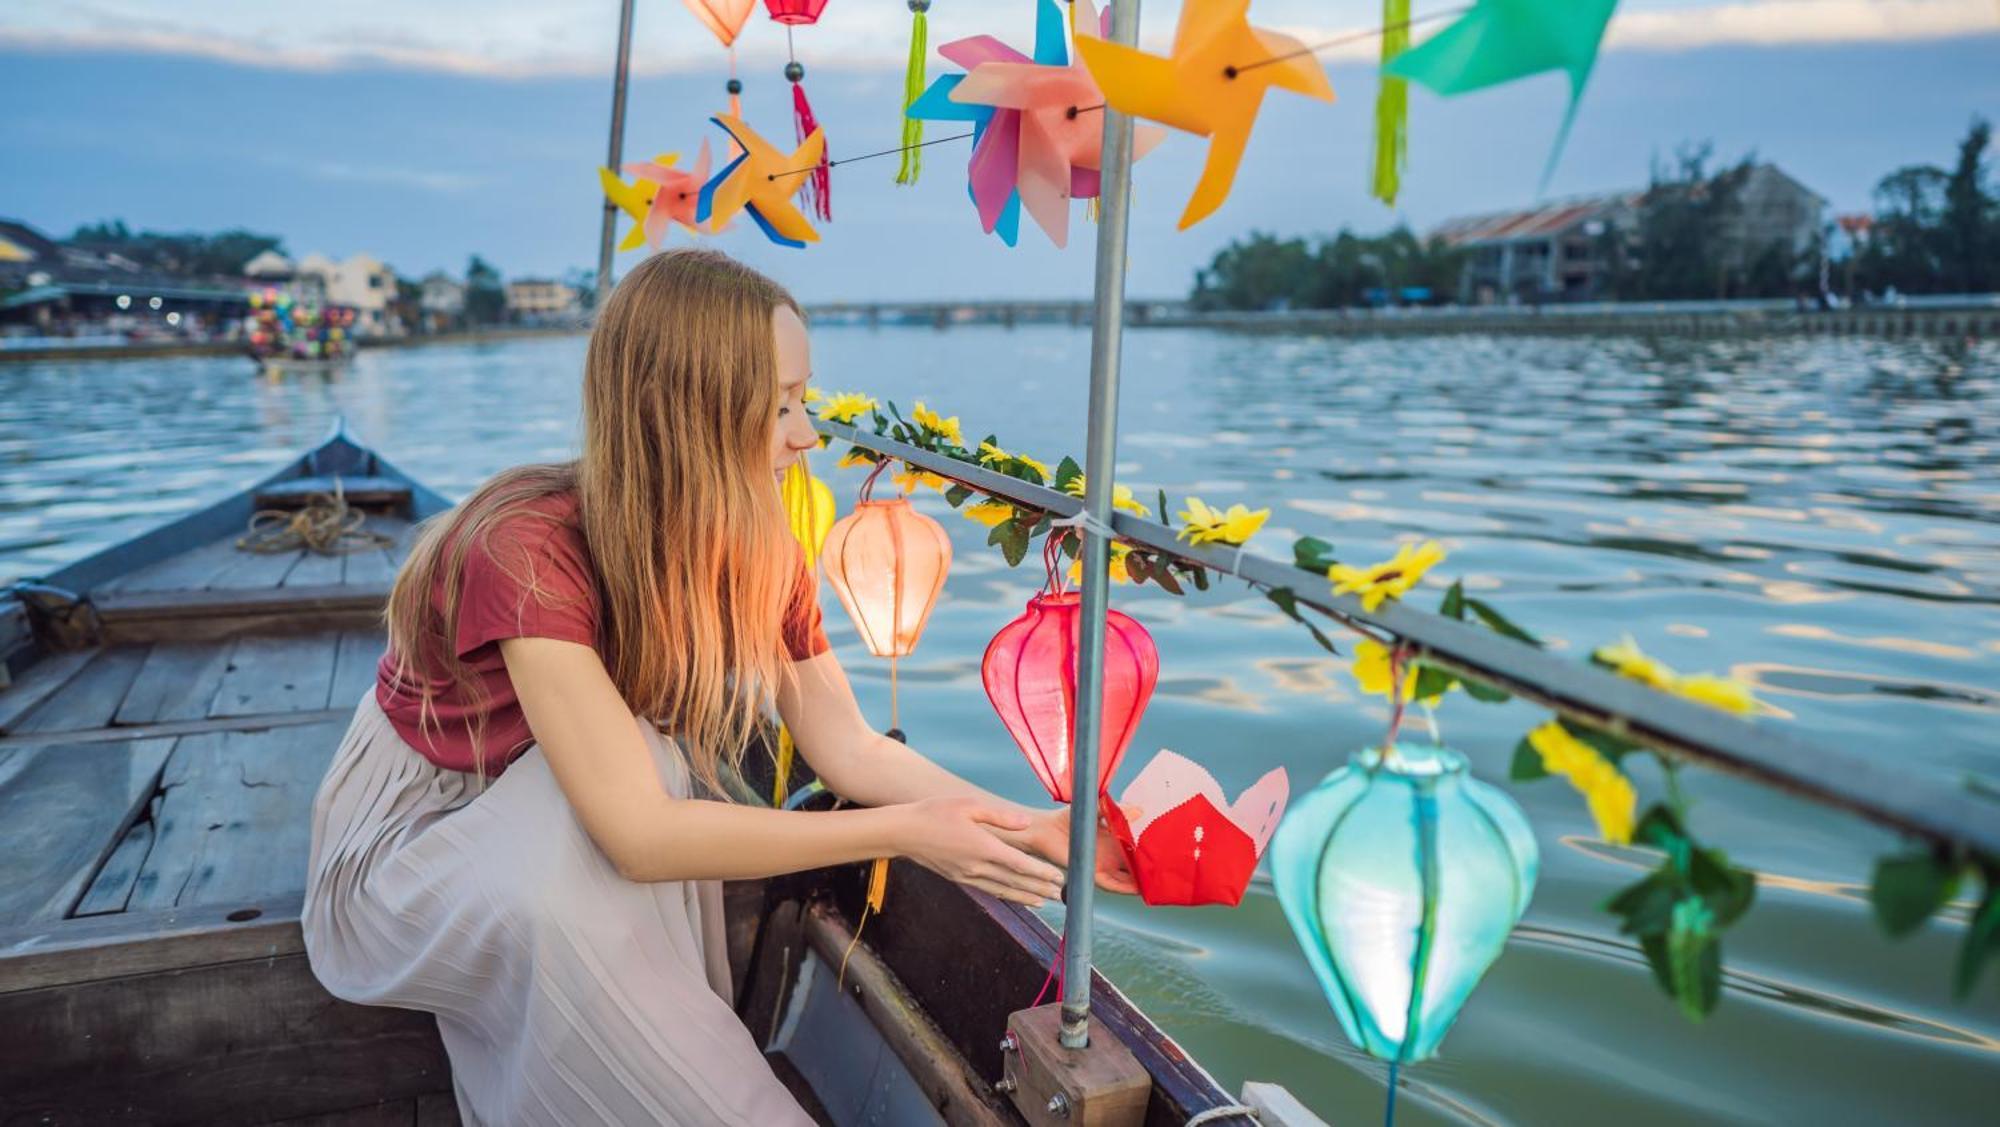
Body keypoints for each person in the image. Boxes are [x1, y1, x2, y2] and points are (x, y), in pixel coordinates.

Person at [302, 248, 1135, 1125]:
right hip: (416, 837)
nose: (807, 433)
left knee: (645, 766)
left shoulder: (756, 537)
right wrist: (907, 834)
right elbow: (636, 835)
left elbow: (845, 747)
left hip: (574, 803)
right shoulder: (525, 550)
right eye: (780, 405)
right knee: (621, 793)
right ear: (686, 411)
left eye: (805, 399)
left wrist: (1043, 832)